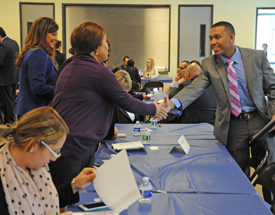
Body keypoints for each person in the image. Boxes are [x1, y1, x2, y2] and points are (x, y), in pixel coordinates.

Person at [49, 21, 168, 192]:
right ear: (96, 47)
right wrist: (154, 109)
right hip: (77, 146)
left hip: (64, 142)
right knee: (73, 196)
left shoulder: (70, 66)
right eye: (105, 41)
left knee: (66, 196)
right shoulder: (98, 71)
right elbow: (125, 100)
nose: (108, 46)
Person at [163, 21, 275, 177]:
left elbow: (273, 87)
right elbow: (195, 88)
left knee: (269, 168)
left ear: (231, 38)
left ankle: (271, 201)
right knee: (237, 170)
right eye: (210, 38)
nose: (212, 42)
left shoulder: (257, 57)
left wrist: (274, 114)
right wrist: (172, 103)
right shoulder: (208, 64)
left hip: (260, 120)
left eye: (217, 37)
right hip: (233, 124)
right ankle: (240, 198)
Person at [0, 106, 96, 215]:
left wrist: (75, 185)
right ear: (34, 144)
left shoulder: (37, 166)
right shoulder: (3, 177)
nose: (54, 158)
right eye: (53, 151)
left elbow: (45, 199)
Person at [14, 17, 58, 119]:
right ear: (43, 34)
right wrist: (60, 89)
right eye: (53, 34)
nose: (56, 38)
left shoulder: (33, 52)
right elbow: (38, 88)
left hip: (31, 112)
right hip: (35, 113)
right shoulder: (38, 53)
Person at [0, 27, 19, 124]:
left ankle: (9, 123)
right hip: (14, 77)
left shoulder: (3, 45)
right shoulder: (14, 42)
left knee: (6, 102)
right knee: (11, 101)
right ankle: (11, 122)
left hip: (4, 79)